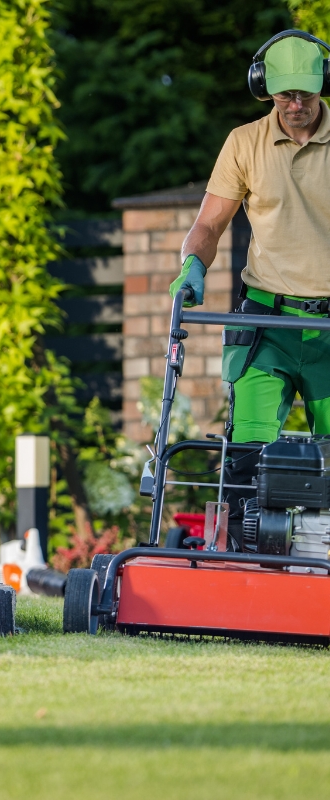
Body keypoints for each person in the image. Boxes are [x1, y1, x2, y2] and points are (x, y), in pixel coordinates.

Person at [169, 30, 330, 550]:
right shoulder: (245, 142)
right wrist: (193, 264)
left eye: (306, 92)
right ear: (266, 89)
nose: (297, 104)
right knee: (248, 451)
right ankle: (246, 553)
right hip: (268, 321)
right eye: (286, 94)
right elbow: (211, 223)